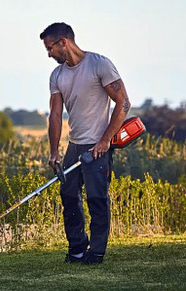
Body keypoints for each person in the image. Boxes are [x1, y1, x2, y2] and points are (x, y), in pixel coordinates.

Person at [40, 22, 130, 265]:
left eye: (50, 48)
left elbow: (123, 104)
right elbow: (56, 115)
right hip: (75, 145)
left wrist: (105, 141)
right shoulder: (57, 76)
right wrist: (53, 152)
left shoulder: (99, 64)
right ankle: (78, 248)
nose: (48, 53)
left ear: (63, 43)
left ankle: (97, 252)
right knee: (68, 194)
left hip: (98, 145)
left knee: (96, 198)